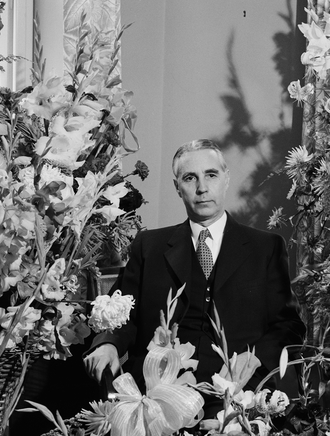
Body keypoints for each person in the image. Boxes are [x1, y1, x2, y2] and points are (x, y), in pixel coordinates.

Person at [84, 139, 305, 405]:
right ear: (177, 187)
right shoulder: (149, 246)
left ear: (226, 178)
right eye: (190, 178)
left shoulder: (265, 247)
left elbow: (289, 325)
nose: (202, 188)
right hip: (158, 394)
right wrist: (107, 344)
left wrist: (255, 356)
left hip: (239, 394)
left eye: (211, 175)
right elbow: (121, 315)